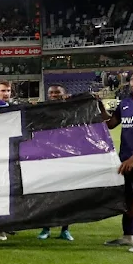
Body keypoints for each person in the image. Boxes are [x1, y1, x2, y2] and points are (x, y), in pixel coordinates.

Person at [102, 68, 133, 251]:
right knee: (128, 198)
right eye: (132, 79)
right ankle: (129, 236)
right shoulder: (125, 103)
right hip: (125, 159)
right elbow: (111, 124)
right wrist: (99, 108)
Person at [38, 84, 74, 241]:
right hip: (47, 157)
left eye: (57, 92)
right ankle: (45, 228)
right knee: (47, 194)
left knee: (67, 195)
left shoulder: (71, 109)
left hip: (67, 157)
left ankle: (65, 229)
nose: (53, 95)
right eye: (51, 93)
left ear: (64, 94)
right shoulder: (43, 110)